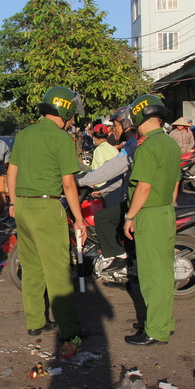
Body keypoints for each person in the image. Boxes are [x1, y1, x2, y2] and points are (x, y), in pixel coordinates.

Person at [6, 86, 87, 358]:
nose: (74, 120)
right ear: (64, 111)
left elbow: (12, 170)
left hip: (24, 207)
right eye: (72, 116)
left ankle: (35, 323)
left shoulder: (25, 134)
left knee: (31, 267)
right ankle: (70, 331)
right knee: (57, 271)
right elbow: (69, 184)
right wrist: (79, 219)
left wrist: (13, 202)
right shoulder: (61, 138)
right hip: (46, 205)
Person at [122, 94, 180, 346]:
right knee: (164, 272)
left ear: (139, 115)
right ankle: (162, 321)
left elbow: (143, 187)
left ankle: (156, 329)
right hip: (166, 211)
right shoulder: (170, 143)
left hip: (150, 213)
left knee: (151, 276)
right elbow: (175, 184)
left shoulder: (147, 147)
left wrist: (130, 216)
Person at [77, 106, 137, 273]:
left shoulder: (133, 146)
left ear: (126, 124)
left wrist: (80, 182)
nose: (113, 131)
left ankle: (119, 257)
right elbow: (119, 178)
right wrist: (101, 188)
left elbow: (109, 170)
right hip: (122, 193)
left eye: (115, 126)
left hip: (135, 198)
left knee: (103, 218)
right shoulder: (127, 145)